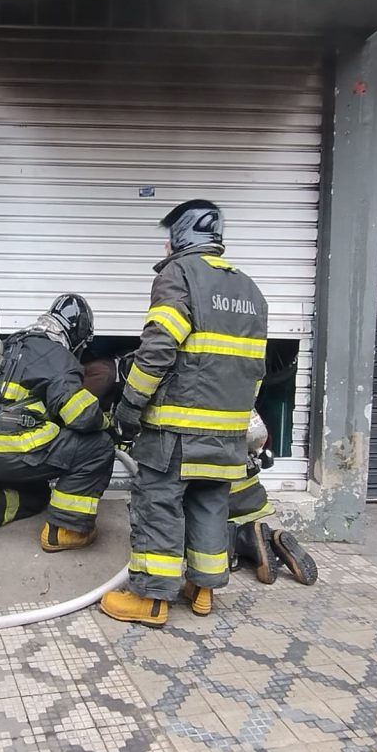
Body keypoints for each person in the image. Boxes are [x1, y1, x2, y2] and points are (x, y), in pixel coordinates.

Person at [100, 199, 268, 626]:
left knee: (158, 504)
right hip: (227, 434)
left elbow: (158, 350)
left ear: (180, 236)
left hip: (175, 429)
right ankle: (203, 590)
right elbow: (255, 370)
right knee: (210, 503)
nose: (164, 248)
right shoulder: (250, 290)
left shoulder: (180, 276)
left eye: (167, 238)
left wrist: (129, 407)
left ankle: (152, 600)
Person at [0, 295, 116, 551]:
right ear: (77, 336)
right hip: (13, 454)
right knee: (100, 447)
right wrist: (108, 422)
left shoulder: (14, 343)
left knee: (40, 495)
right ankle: (66, 530)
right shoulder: (56, 355)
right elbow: (80, 415)